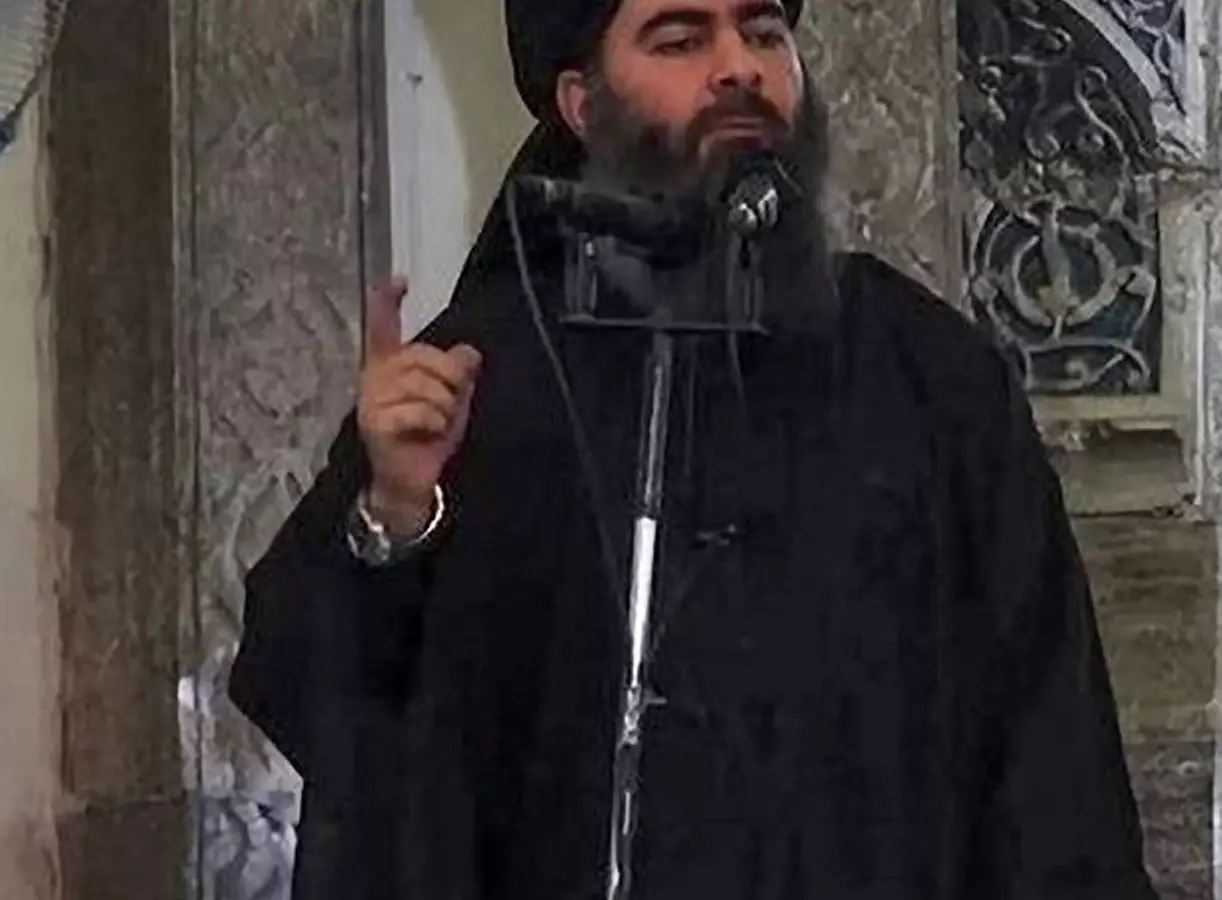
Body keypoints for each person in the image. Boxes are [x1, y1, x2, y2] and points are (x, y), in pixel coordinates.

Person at [228, 0, 1160, 898]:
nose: (739, 66)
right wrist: (394, 513)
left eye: (763, 31)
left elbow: (1053, 759)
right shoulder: (489, 373)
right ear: (581, 104)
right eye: (680, 40)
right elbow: (311, 693)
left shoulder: (927, 375)